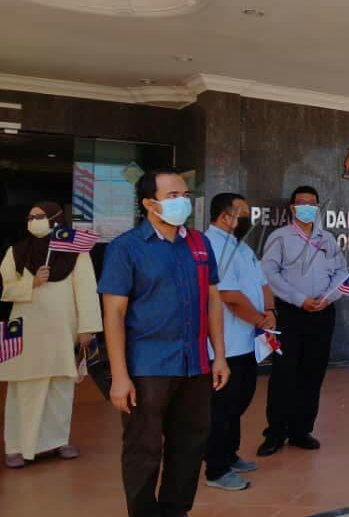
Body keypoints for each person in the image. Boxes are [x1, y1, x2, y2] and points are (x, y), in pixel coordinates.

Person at [98, 169, 230, 517]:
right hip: (147, 366)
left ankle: (176, 510)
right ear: (149, 203)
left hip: (195, 363)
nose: (182, 201)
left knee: (190, 444)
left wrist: (220, 355)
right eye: (173, 196)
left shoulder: (200, 243)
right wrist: (119, 376)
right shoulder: (125, 248)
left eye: (185, 194)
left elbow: (213, 299)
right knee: (143, 449)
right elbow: (113, 313)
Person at [1, 202, 101, 469]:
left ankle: (57, 441)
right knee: (23, 387)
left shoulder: (75, 252)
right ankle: (17, 446)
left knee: (60, 387)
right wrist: (31, 283)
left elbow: (87, 291)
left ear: (56, 219)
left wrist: (87, 328)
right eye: (30, 216)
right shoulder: (16, 252)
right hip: (25, 330)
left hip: (61, 330)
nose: (34, 221)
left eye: (40, 216)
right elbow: (5, 289)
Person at [257, 185, 347, 456]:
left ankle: (301, 430)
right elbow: (269, 273)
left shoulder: (328, 239)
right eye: (301, 203)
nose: (306, 207)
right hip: (289, 313)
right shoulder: (280, 237)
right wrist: (299, 299)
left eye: (312, 203)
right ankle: (275, 433)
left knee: (313, 373)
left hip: (322, 313)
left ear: (318, 207)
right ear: (292, 208)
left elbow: (342, 273)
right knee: (284, 374)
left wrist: (328, 298)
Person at [203, 193, 276, 491]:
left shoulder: (241, 247)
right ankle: (216, 469)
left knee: (239, 402)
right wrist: (260, 320)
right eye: (244, 214)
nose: (249, 220)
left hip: (247, 341)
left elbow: (263, 283)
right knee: (222, 408)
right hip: (225, 345)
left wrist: (269, 311)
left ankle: (229, 455)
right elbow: (229, 297)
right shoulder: (213, 246)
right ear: (224, 217)